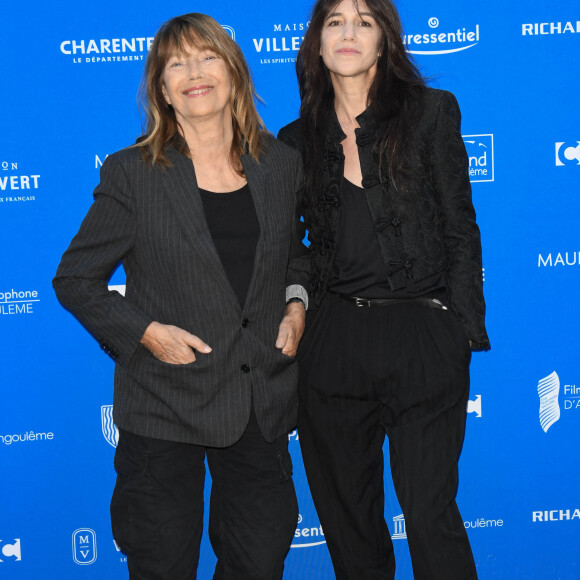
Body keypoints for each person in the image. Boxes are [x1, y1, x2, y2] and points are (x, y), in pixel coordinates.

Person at [53, 13, 309, 580]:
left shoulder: (280, 166)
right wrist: (145, 333)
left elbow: (297, 256)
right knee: (163, 566)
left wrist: (296, 303)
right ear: (163, 90)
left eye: (207, 56)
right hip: (163, 405)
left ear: (235, 73)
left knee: (260, 561)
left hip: (255, 405)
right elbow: (75, 279)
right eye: (177, 63)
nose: (195, 72)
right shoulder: (133, 173)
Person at [278, 0, 490, 578]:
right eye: (334, 22)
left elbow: (460, 227)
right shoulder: (295, 140)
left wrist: (458, 328)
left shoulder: (430, 113)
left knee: (428, 515)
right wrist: (300, 308)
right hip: (334, 341)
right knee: (350, 525)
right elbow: (291, 245)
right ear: (316, 44)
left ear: (384, 41)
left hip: (421, 333)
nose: (348, 32)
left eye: (364, 21)